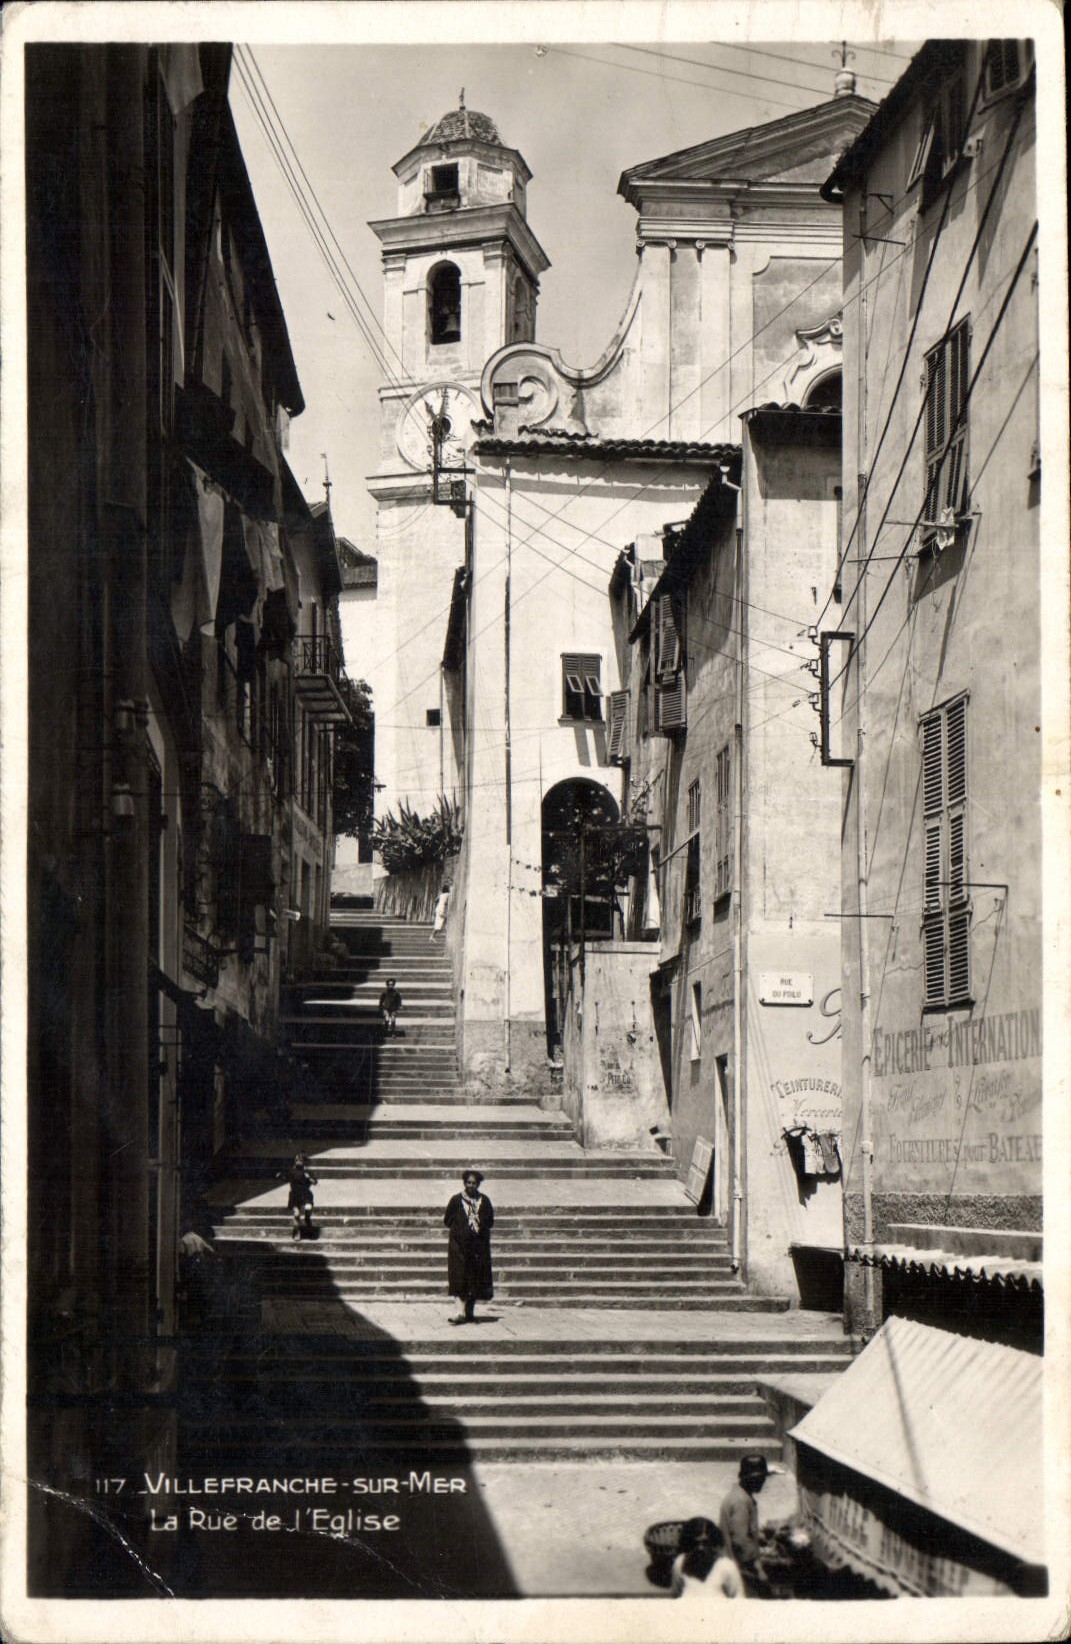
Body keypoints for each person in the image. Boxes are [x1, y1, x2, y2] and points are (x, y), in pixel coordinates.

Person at [718, 1453, 778, 1596]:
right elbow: (740, 1540)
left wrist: (759, 1536)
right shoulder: (740, 1502)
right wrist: (757, 1568)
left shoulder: (741, 1496)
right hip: (738, 1567)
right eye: (761, 1479)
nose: (763, 1483)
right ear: (752, 1479)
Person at [443, 1169, 494, 1323]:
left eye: (474, 1183)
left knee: (475, 1278)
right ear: (464, 1183)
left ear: (478, 1184)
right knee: (459, 1277)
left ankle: (469, 1312)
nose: (471, 1185)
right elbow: (447, 1220)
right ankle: (459, 1312)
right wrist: (461, 1230)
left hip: (478, 1248)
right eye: (469, 1182)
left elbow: (490, 1221)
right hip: (459, 1248)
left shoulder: (484, 1201)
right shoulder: (456, 1200)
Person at [670, 1518, 743, 1601]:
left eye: (705, 1543)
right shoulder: (680, 1563)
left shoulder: (726, 1566)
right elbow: (676, 1596)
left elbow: (739, 1600)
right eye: (695, 1543)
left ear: (713, 1542)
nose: (700, 1548)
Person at [278, 1153, 318, 1240]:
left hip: (306, 1195)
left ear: (304, 1162)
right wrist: (280, 1175)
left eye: (300, 1160)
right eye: (296, 1160)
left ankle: (308, 1224)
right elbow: (284, 1178)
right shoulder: (291, 1171)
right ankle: (297, 1231)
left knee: (308, 1210)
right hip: (295, 1195)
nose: (298, 1162)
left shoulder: (308, 1172)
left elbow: (315, 1182)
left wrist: (309, 1178)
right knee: (297, 1214)